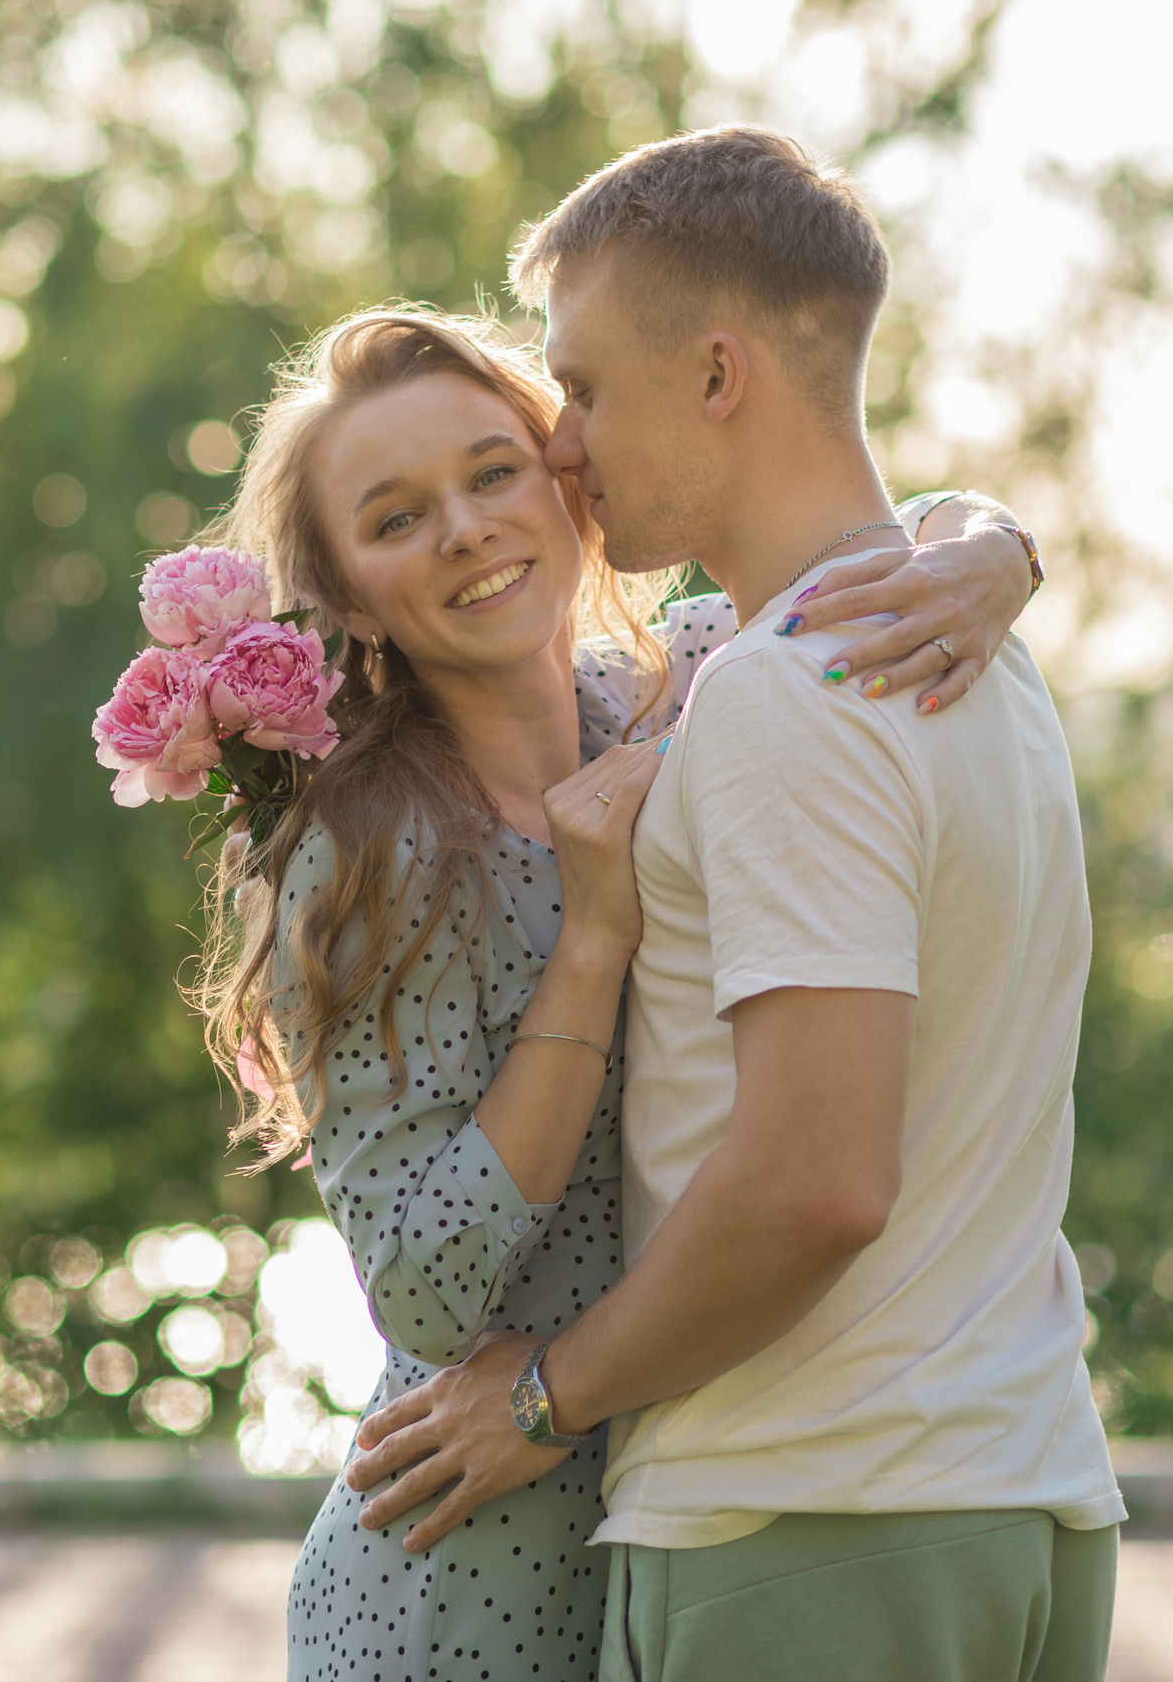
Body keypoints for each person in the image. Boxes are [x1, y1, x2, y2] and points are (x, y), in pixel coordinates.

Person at [337, 128, 1124, 1682]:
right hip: (1019, 1506)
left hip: (809, 1531)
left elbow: (817, 1177)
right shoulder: (982, 661)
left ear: (717, 375)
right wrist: (993, 537)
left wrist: (542, 1397)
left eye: (584, 389)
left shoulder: (786, 697)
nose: (562, 442)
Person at [186, 295, 1041, 1681]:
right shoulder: (356, 856)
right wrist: (590, 939)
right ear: (347, 598)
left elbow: (865, 528)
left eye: (493, 470)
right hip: (460, 1590)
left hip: (690, 1528)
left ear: (568, 481)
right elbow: (424, 1289)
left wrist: (996, 552)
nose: (465, 528)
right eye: (398, 518)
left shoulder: (676, 684)